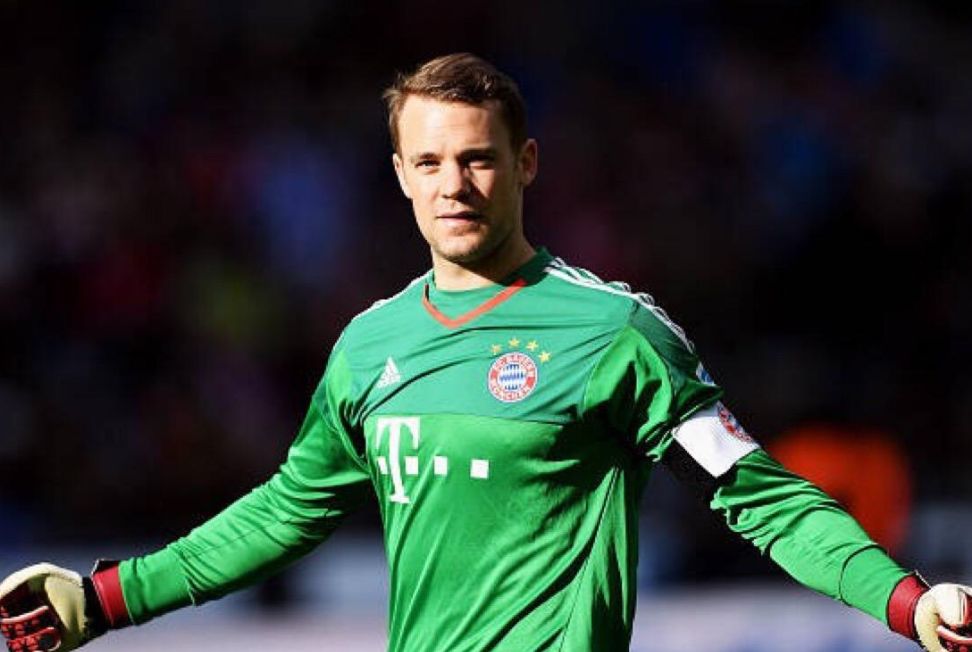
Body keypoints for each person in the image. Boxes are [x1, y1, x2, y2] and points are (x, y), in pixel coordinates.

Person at [0, 53, 969, 652]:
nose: (453, 184)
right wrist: (103, 598)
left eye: (477, 158)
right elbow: (282, 513)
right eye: (429, 162)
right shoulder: (369, 347)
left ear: (525, 164)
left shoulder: (616, 334)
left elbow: (762, 497)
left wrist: (906, 602)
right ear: (399, 175)